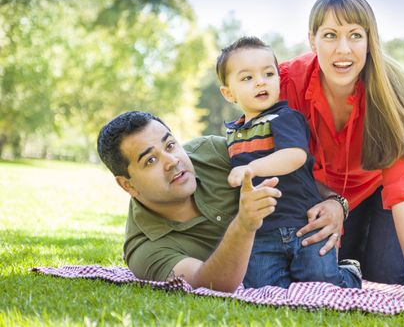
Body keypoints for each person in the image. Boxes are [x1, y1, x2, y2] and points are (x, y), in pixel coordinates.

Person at [278, 0, 404, 301]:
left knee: (386, 271)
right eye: (330, 35)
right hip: (343, 182)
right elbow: (282, 162)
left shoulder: (389, 99)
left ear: (369, 40)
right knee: (339, 250)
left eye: (355, 35)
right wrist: (336, 203)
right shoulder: (288, 83)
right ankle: (376, 231)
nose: (343, 49)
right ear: (312, 40)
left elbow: (400, 194)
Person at [216, 36, 361, 289]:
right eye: (247, 78)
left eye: (268, 74)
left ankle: (349, 273)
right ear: (228, 93)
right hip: (261, 232)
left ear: (278, 80)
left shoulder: (284, 117)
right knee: (263, 287)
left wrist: (251, 169)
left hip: (304, 223)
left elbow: (295, 155)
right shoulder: (234, 134)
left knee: (320, 283)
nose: (260, 81)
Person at [96, 111, 283, 292]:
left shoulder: (212, 152)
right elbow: (208, 284)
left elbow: (292, 166)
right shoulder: (144, 250)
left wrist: (314, 202)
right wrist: (243, 225)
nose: (172, 161)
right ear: (127, 185)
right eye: (151, 160)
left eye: (170, 145)